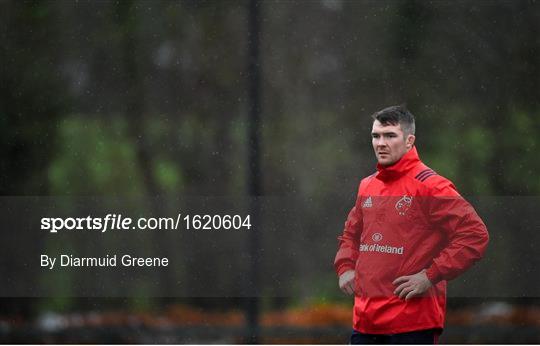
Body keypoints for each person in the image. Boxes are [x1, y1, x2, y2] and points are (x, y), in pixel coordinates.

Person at [334, 105, 489, 344]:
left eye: (390, 135)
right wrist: (345, 266)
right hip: (366, 322)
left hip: (411, 323)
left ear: (409, 141)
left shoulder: (431, 186)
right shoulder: (367, 185)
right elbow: (351, 232)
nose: (380, 143)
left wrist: (430, 275)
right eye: (376, 136)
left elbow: (475, 235)